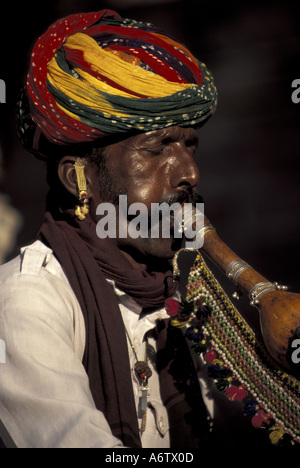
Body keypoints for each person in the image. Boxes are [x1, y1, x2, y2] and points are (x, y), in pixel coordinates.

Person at [0, 9, 299, 449]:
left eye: (189, 145)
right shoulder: (28, 302)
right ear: (77, 178)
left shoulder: (177, 299)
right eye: (157, 149)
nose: (190, 173)